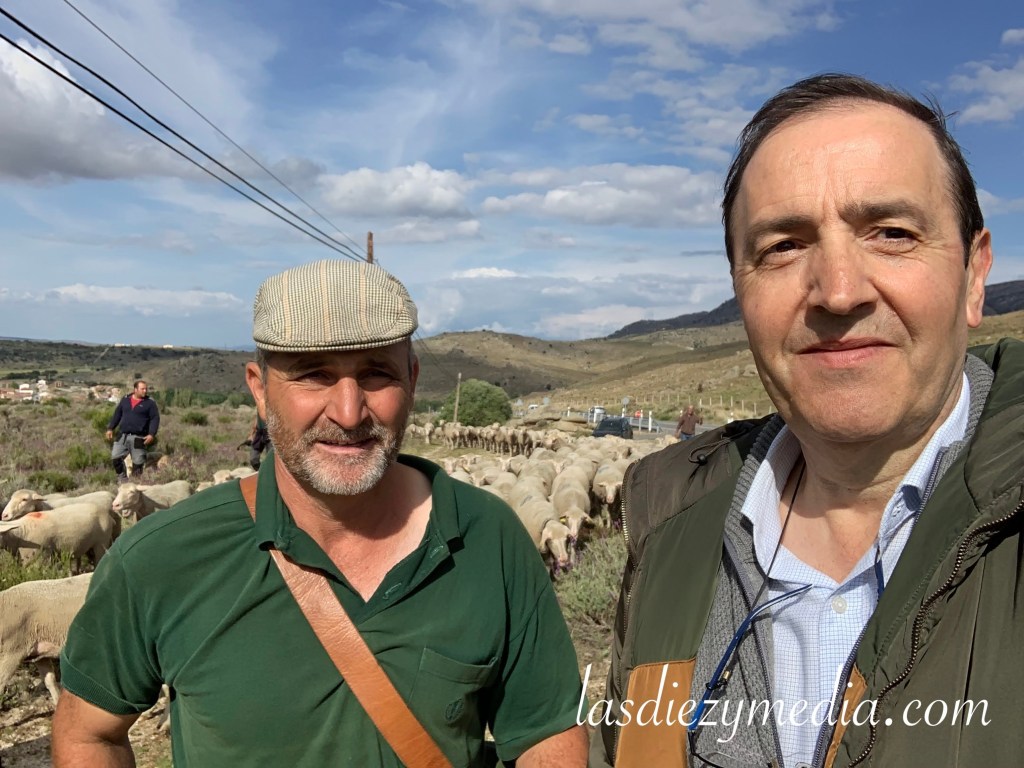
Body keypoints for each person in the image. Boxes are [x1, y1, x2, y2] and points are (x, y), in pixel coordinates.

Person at [592, 73, 1022, 768]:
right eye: (783, 247)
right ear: (739, 288)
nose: (839, 292)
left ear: (975, 276)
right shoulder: (669, 527)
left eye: (892, 233)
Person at [54, 260, 588, 767]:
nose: (349, 413)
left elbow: (546, 731)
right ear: (260, 390)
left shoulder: (488, 537)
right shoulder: (161, 558)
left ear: (412, 380)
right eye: (313, 375)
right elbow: (88, 732)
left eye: (377, 374)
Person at [104, 379, 160, 483]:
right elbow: (117, 414)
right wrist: (110, 428)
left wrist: (151, 434)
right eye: (142, 389)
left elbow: (155, 419)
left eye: (146, 389)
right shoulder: (125, 399)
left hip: (139, 437)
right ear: (135, 389)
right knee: (115, 457)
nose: (145, 391)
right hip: (123, 435)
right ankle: (122, 480)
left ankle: (135, 483)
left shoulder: (150, 403)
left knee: (138, 463)